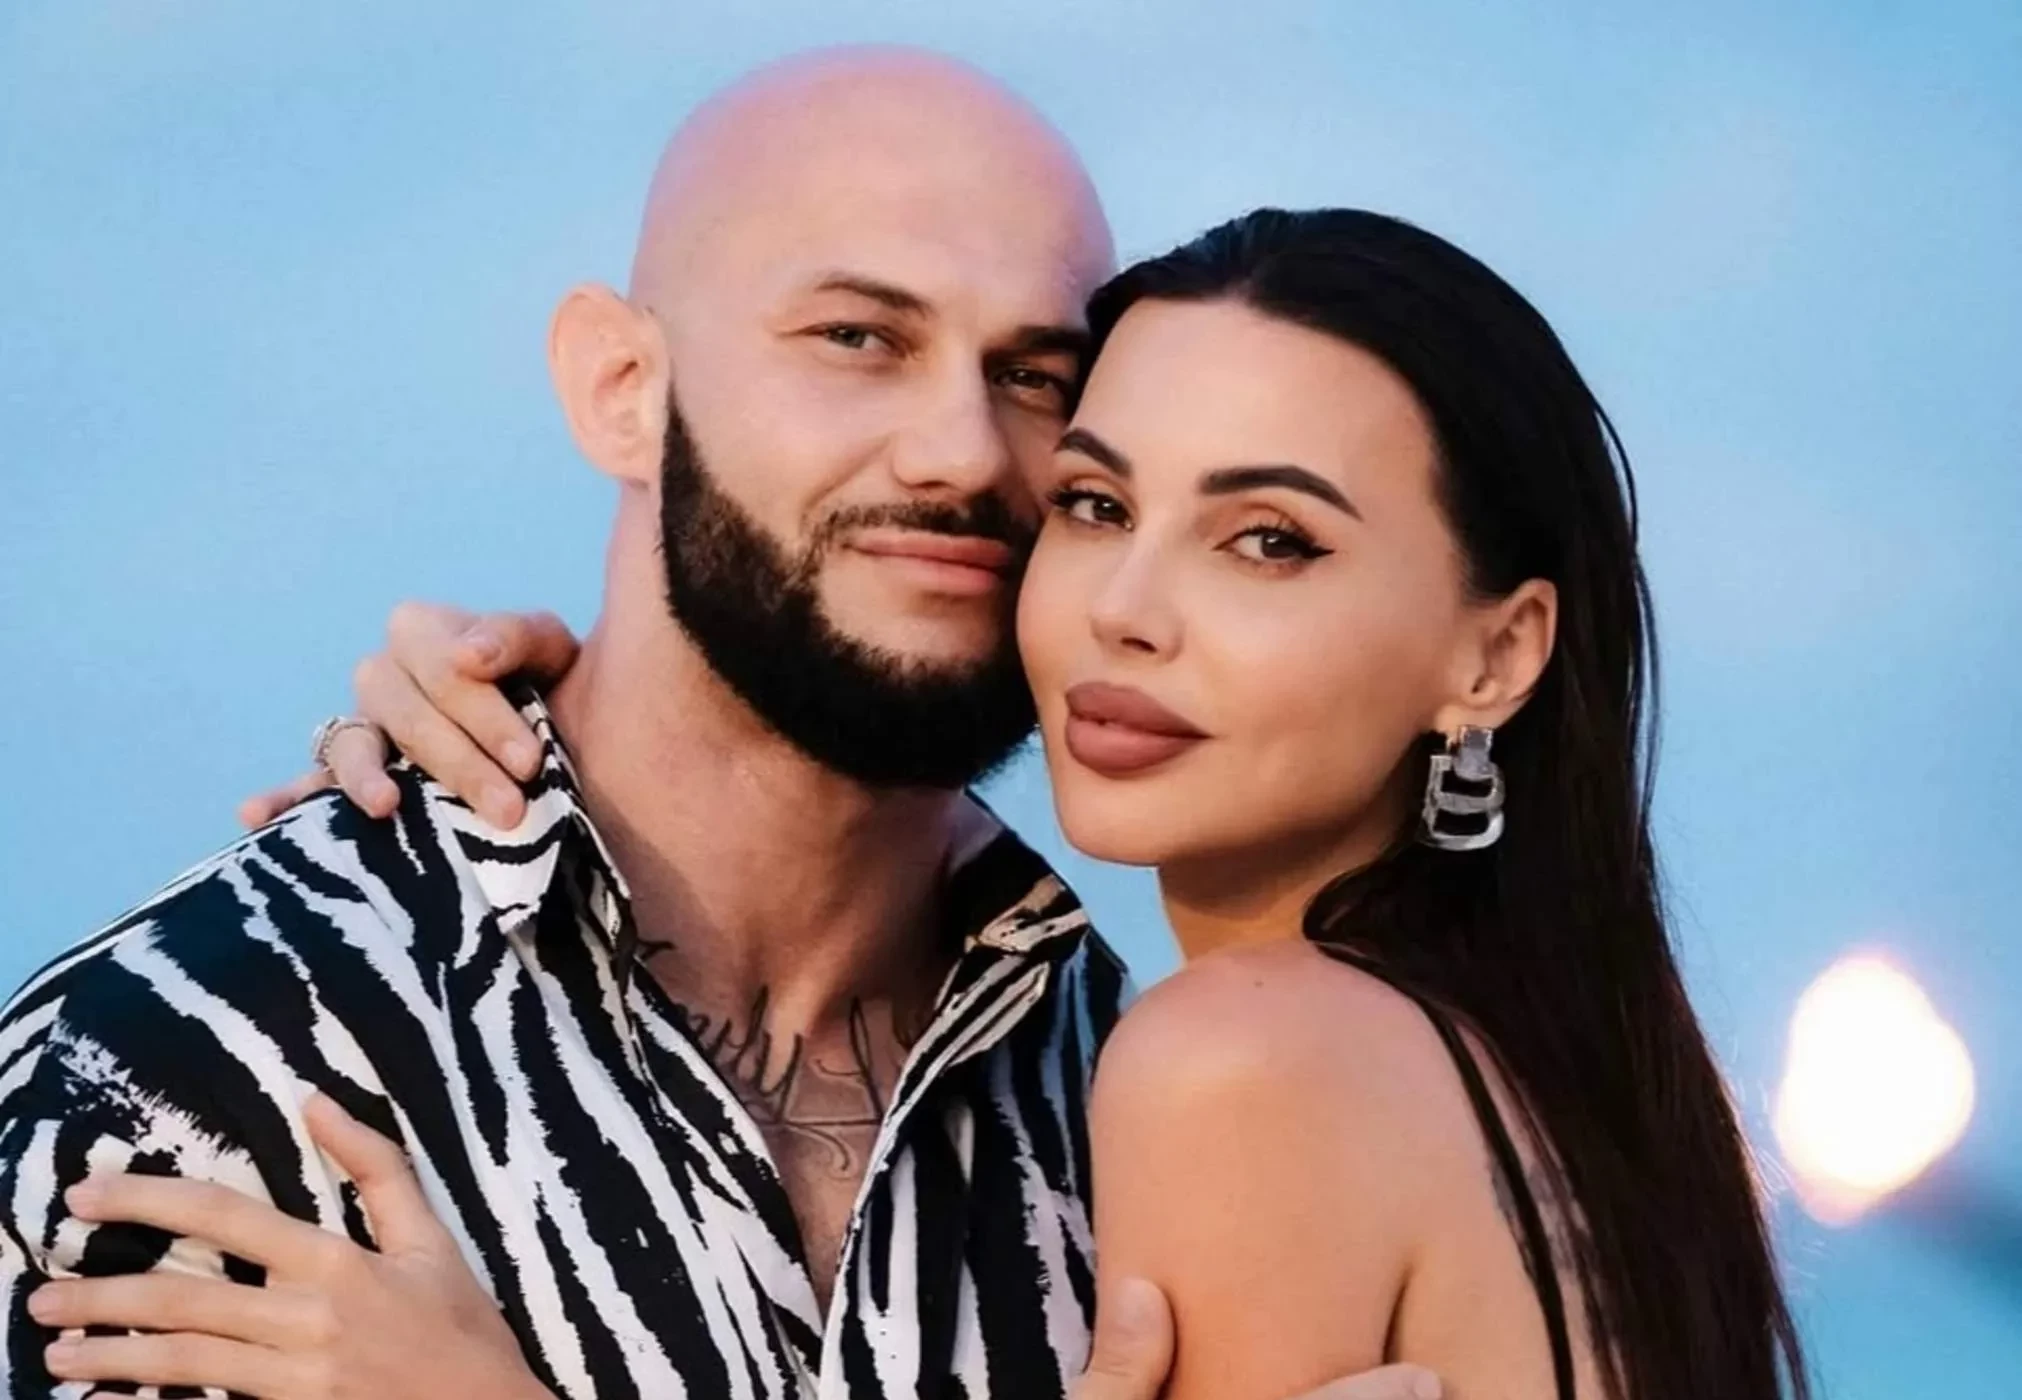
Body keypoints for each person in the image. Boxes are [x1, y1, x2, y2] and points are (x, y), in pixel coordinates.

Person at [27, 199, 1814, 1398]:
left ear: (1494, 655)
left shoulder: (1245, 1065)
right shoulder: (1537, 1095)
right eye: (1096, 505)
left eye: (1268, 540)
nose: (1126, 607)